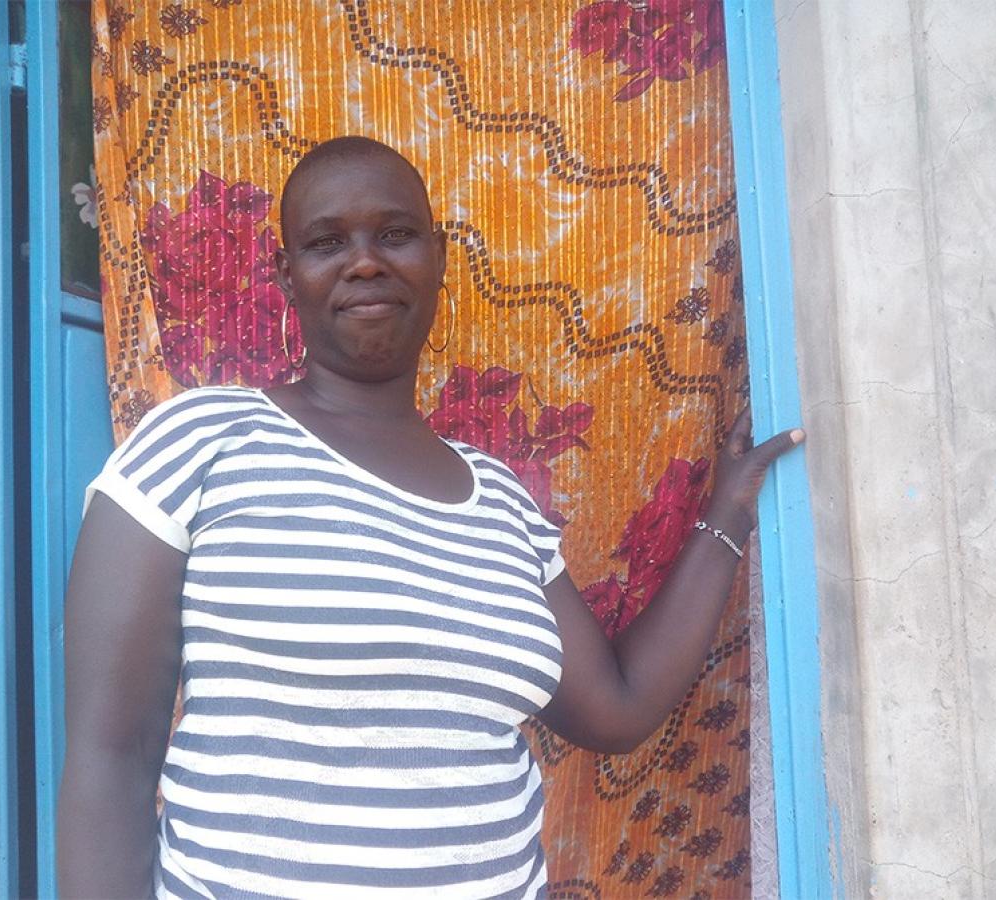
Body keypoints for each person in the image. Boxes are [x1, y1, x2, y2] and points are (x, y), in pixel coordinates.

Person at [58, 136, 804, 899]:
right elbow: (109, 757)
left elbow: (613, 710)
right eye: (325, 242)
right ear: (288, 275)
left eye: (394, 234)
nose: (365, 262)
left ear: (438, 256)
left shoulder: (501, 499)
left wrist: (729, 517)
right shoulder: (200, 443)